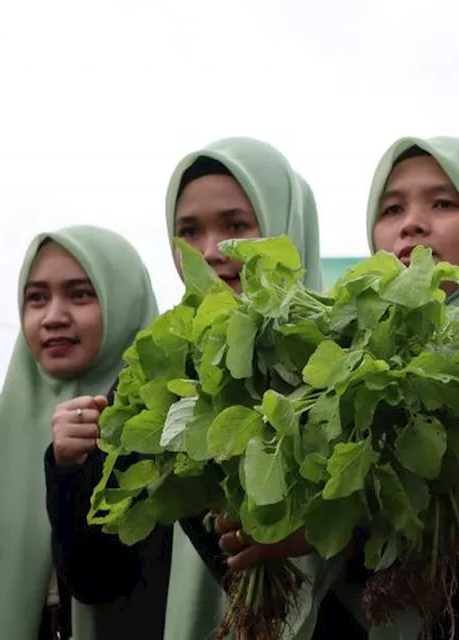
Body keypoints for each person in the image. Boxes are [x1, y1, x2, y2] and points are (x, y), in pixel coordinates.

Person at [217, 135, 459, 639]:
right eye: (392, 208)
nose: (411, 223)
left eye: (443, 202)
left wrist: (334, 525)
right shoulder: (345, 363)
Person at [42, 137, 341, 640]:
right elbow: (97, 580)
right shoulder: (154, 379)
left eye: (237, 227)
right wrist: (69, 470)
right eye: (188, 231)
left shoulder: (345, 361)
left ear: (283, 226)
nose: (209, 252)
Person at [0, 226, 158, 640]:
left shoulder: (167, 428)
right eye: (36, 298)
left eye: (80, 295)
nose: (54, 316)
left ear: (124, 302)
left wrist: (75, 472)